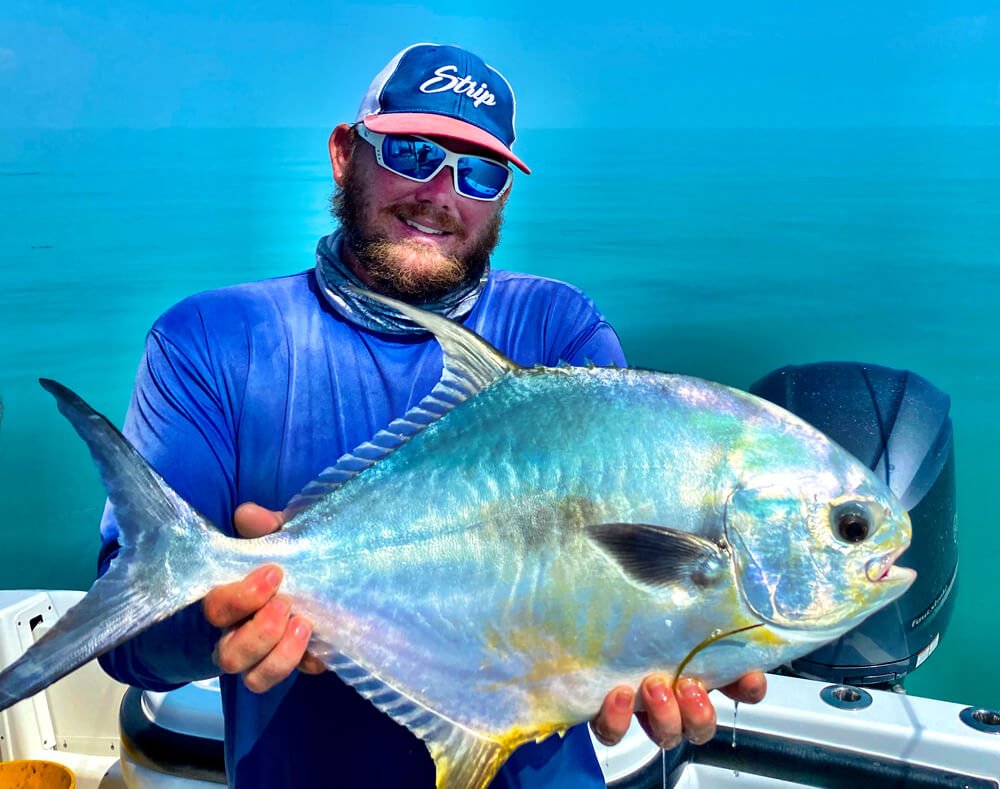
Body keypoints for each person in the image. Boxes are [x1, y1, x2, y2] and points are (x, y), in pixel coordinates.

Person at [97, 43, 765, 787]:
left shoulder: (557, 332)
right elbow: (130, 643)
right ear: (346, 153)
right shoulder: (214, 343)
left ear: (502, 198)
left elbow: (610, 569)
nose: (440, 193)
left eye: (478, 172)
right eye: (413, 153)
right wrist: (225, 611)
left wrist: (672, 643)